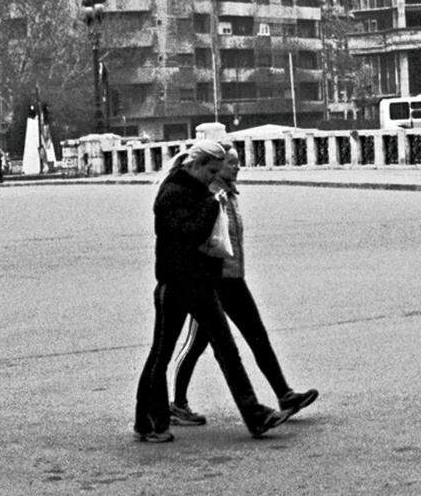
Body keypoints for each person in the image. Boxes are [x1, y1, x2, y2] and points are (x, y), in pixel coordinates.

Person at [134, 140, 295, 443]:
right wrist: (211, 207)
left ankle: (256, 416)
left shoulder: (196, 190)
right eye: (210, 171)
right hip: (176, 284)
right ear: (195, 165)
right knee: (161, 354)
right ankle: (148, 422)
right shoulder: (172, 194)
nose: (213, 177)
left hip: (202, 282)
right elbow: (189, 234)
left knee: (227, 350)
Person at [170, 143, 318, 426]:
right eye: (231, 162)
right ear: (216, 167)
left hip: (234, 278)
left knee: (257, 336)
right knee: (196, 344)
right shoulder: (208, 195)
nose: (237, 166)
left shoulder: (231, 194)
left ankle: (284, 394)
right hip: (212, 281)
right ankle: (177, 403)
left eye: (238, 162)